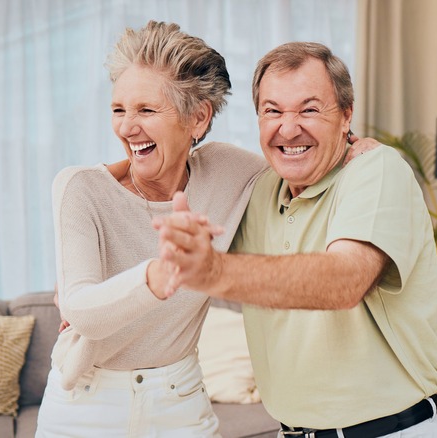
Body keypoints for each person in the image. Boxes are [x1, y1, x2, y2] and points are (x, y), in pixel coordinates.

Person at [37, 22, 377, 437]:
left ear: (198, 118)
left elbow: (297, 156)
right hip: (86, 404)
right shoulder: (80, 188)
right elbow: (81, 311)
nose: (127, 127)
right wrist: (158, 275)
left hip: (179, 398)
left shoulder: (228, 171)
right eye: (119, 110)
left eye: (146, 110)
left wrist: (358, 147)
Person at [156, 42, 437, 438]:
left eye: (309, 109)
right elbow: (162, 169)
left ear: (346, 115)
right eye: (272, 111)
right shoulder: (257, 189)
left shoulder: (376, 170)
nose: (288, 128)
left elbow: (345, 280)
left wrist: (215, 271)